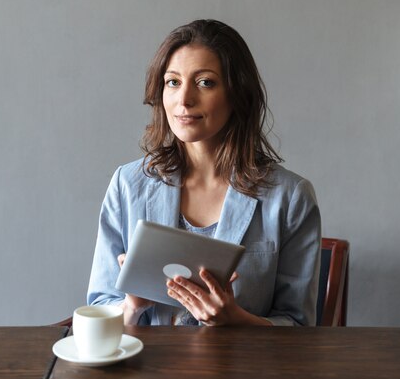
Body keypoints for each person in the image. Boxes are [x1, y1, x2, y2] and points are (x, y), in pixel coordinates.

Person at [87, 19, 321, 326]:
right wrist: (131, 306)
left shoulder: (291, 197)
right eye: (173, 82)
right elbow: (100, 304)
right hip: (147, 370)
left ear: (237, 94)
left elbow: (300, 327)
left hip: (242, 372)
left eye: (205, 82)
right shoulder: (128, 185)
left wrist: (237, 321)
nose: (184, 100)